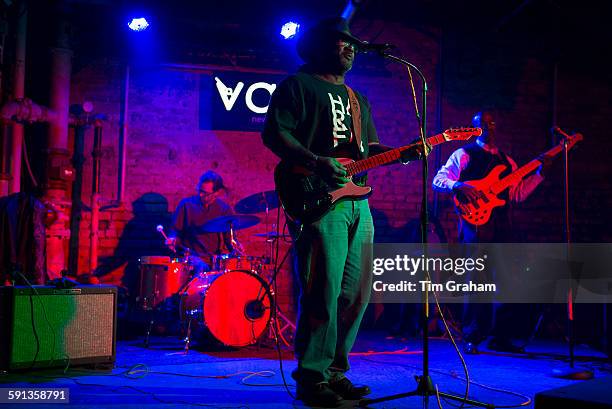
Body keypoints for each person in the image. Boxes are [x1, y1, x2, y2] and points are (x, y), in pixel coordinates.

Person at [262, 17, 426, 407]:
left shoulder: (357, 99)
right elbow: (275, 134)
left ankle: (335, 374)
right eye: (342, 42)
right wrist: (315, 161)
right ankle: (311, 378)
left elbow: (367, 149)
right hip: (317, 199)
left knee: (356, 293)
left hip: (357, 203)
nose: (351, 48)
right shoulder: (297, 87)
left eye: (353, 44)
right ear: (319, 46)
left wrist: (402, 153)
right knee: (323, 289)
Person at [432, 111, 547, 353]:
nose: (489, 127)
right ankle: (472, 335)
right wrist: (458, 184)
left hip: (501, 225)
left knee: (506, 279)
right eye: (483, 124)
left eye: (492, 123)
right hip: (474, 225)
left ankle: (501, 337)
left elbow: (517, 194)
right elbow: (439, 179)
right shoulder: (463, 154)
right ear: (475, 128)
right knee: (476, 281)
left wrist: (540, 174)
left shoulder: (508, 162)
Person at [167, 171, 235, 272]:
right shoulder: (186, 205)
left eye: (205, 193)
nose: (200, 194)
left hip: (213, 259)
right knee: (201, 267)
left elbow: (229, 241)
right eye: (200, 190)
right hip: (190, 257)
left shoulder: (224, 209)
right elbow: (175, 230)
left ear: (216, 193)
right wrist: (172, 238)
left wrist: (236, 249)